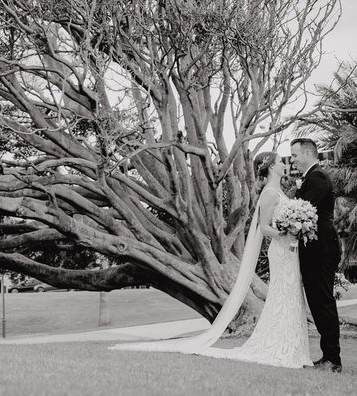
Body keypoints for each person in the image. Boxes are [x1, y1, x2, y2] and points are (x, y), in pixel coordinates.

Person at [112, 152, 311, 368]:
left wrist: (296, 228)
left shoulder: (280, 191)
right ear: (271, 167)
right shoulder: (270, 194)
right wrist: (287, 233)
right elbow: (264, 228)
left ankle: (294, 346)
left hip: (290, 252)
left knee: (291, 295)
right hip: (281, 251)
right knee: (282, 295)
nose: (285, 164)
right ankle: (280, 346)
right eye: (281, 161)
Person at [291, 136, 343, 373]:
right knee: (318, 302)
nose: (293, 161)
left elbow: (303, 210)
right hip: (313, 251)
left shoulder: (318, 177)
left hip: (321, 250)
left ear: (309, 154)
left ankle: (332, 359)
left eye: (295, 155)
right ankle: (327, 357)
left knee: (323, 302)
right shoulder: (311, 178)